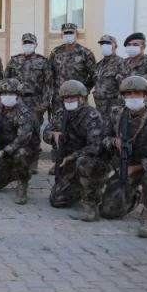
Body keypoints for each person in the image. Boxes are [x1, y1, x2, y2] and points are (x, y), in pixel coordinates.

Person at [99, 76, 147, 237]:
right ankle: (137, 196)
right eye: (129, 94)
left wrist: (136, 168)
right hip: (124, 166)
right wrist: (114, 141)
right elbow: (103, 138)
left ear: (146, 96)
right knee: (109, 211)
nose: (133, 97)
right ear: (123, 96)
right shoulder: (116, 115)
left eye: (137, 93)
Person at [44, 80, 103, 210]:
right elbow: (45, 133)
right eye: (66, 98)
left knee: (83, 162)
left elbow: (95, 146)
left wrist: (72, 156)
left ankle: (92, 197)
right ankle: (78, 188)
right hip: (68, 162)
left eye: (73, 97)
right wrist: (53, 135)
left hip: (88, 160)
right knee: (57, 200)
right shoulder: (61, 113)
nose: (69, 100)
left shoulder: (92, 116)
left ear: (82, 98)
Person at [0, 78, 39, 205]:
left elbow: (23, 138)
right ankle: (12, 173)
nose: (8, 96)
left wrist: (6, 151)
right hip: (2, 151)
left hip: (21, 150)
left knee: (21, 154)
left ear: (18, 96)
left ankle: (22, 183)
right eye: (4, 93)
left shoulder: (25, 113)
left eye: (11, 94)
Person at [4, 32, 51, 174]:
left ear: (35, 44)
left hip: (35, 101)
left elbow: (48, 84)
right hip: (17, 101)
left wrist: (45, 103)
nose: (28, 45)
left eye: (30, 43)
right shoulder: (14, 61)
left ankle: (33, 163)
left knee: (34, 132)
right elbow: (5, 81)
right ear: (22, 44)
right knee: (14, 130)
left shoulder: (43, 62)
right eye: (25, 42)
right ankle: (14, 160)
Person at [49, 22, 96, 113]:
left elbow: (94, 75)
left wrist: (85, 90)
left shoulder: (85, 53)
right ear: (61, 35)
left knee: (78, 120)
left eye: (71, 32)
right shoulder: (55, 52)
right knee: (59, 121)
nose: (68, 35)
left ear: (77, 34)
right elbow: (49, 75)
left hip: (78, 98)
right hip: (59, 99)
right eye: (65, 33)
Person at [92, 34, 125, 120]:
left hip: (114, 111)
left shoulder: (122, 64)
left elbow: (124, 89)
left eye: (108, 43)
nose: (104, 46)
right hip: (100, 110)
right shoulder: (98, 65)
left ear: (115, 46)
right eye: (102, 44)